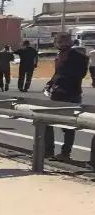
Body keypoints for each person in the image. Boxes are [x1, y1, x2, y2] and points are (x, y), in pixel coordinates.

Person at [42, 32, 90, 162]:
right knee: (46, 121)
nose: (62, 44)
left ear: (70, 42)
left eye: (65, 41)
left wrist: (61, 81)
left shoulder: (80, 58)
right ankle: (48, 150)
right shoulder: (59, 56)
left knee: (68, 127)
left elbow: (78, 75)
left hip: (71, 94)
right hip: (57, 94)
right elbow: (58, 73)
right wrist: (50, 83)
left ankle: (65, 153)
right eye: (59, 42)